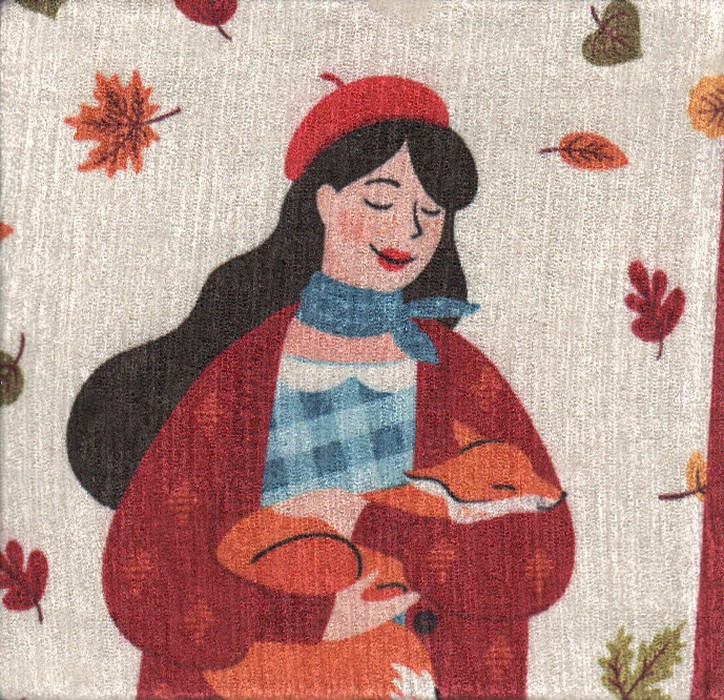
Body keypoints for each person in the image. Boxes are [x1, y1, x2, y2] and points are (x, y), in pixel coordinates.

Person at [72, 74, 575, 699]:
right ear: (325, 202)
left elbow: (540, 559)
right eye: (381, 201)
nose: (409, 232)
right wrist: (312, 620)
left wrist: (368, 518)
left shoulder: (457, 375)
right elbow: (146, 577)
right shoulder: (244, 372)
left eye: (430, 213)